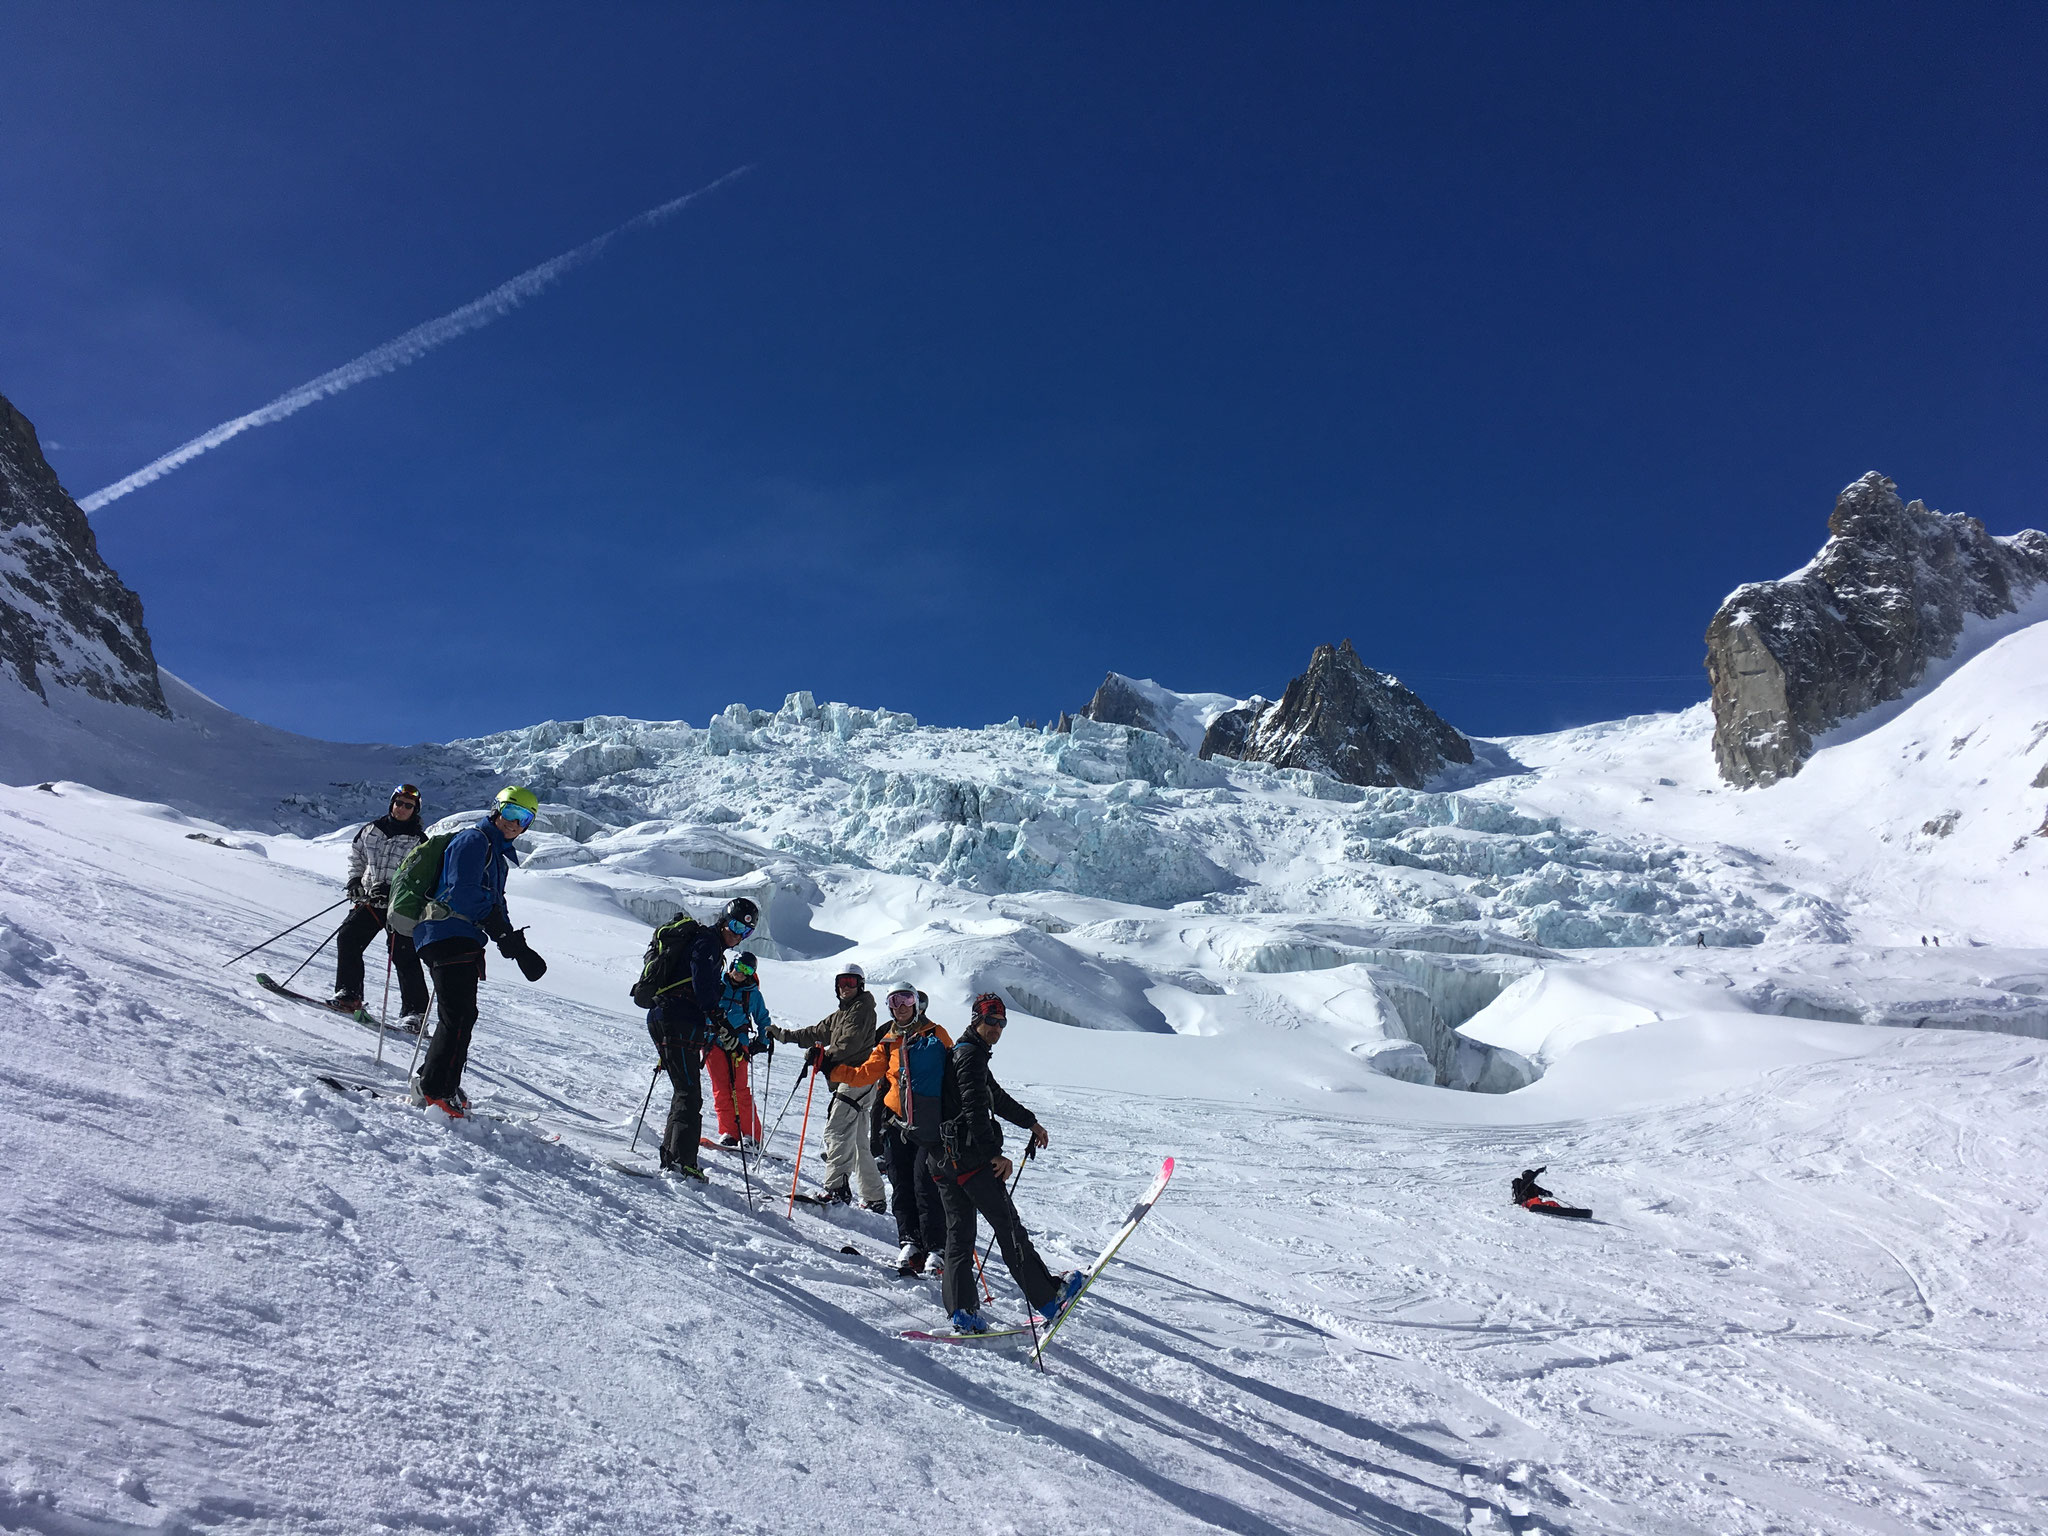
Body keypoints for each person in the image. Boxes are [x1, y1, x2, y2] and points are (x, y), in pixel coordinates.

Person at [933, 993, 1083, 1334]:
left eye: (1001, 1023)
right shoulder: (969, 1058)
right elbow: (974, 1110)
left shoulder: (966, 1054)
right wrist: (993, 1155)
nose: (996, 1028)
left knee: (959, 1237)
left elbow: (995, 1097)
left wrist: (1030, 1122)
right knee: (1010, 1229)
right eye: (990, 1021)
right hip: (970, 1163)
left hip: (943, 1161)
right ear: (976, 1020)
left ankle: (962, 1314)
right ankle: (1049, 1298)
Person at [409, 787, 549, 1117]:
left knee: (460, 1014)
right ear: (496, 809)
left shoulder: (496, 855)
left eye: (524, 818)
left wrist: (513, 942)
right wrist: (499, 930)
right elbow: (463, 892)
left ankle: (437, 1082)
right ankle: (435, 1091)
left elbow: (495, 902)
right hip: (446, 932)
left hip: (463, 937)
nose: (515, 823)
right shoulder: (474, 841)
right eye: (511, 813)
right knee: (457, 1014)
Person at [832, 985, 951, 1274]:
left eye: (906, 999)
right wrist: (831, 1068)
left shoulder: (936, 1035)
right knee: (902, 1185)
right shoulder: (888, 1041)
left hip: (929, 1126)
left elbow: (953, 1074)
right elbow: (865, 1074)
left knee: (926, 1185)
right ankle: (909, 1241)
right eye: (894, 1001)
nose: (900, 1006)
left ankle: (936, 1247)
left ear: (917, 1004)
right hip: (897, 1125)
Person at [647, 896, 760, 1178]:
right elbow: (703, 987)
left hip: (671, 1018)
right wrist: (720, 1020)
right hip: (678, 1019)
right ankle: (683, 1162)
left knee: (684, 1090)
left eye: (745, 931)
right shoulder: (708, 943)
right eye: (734, 925)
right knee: (689, 1094)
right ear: (723, 919)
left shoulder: (710, 944)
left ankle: (673, 1158)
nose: (737, 934)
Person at [769, 962, 884, 1209]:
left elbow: (849, 1044)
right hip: (852, 1081)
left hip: (856, 1078)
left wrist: (824, 1058)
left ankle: (836, 1191)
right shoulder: (844, 1012)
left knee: (837, 1131)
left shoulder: (861, 1010)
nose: (845, 987)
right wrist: (784, 1035)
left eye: (851, 982)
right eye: (842, 982)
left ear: (860, 985)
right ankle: (875, 1197)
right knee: (857, 1142)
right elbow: (817, 1032)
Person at [331, 784, 430, 1030]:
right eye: (399, 803)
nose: (402, 808)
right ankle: (349, 995)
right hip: (371, 899)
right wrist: (355, 881)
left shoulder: (420, 841)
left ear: (415, 810)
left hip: (401, 906)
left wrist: (393, 888)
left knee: (403, 954)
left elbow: (421, 875)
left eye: (409, 805)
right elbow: (357, 857)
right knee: (348, 937)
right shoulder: (370, 830)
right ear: (391, 803)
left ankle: (416, 1014)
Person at [706, 950, 771, 1147]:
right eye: (740, 966)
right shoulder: (716, 986)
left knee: (740, 1090)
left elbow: (763, 1019)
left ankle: (753, 1136)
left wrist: (763, 1040)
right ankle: (729, 1133)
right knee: (721, 1090)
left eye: (747, 969)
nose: (741, 973)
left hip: (739, 1046)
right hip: (712, 1042)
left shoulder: (753, 994)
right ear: (732, 966)